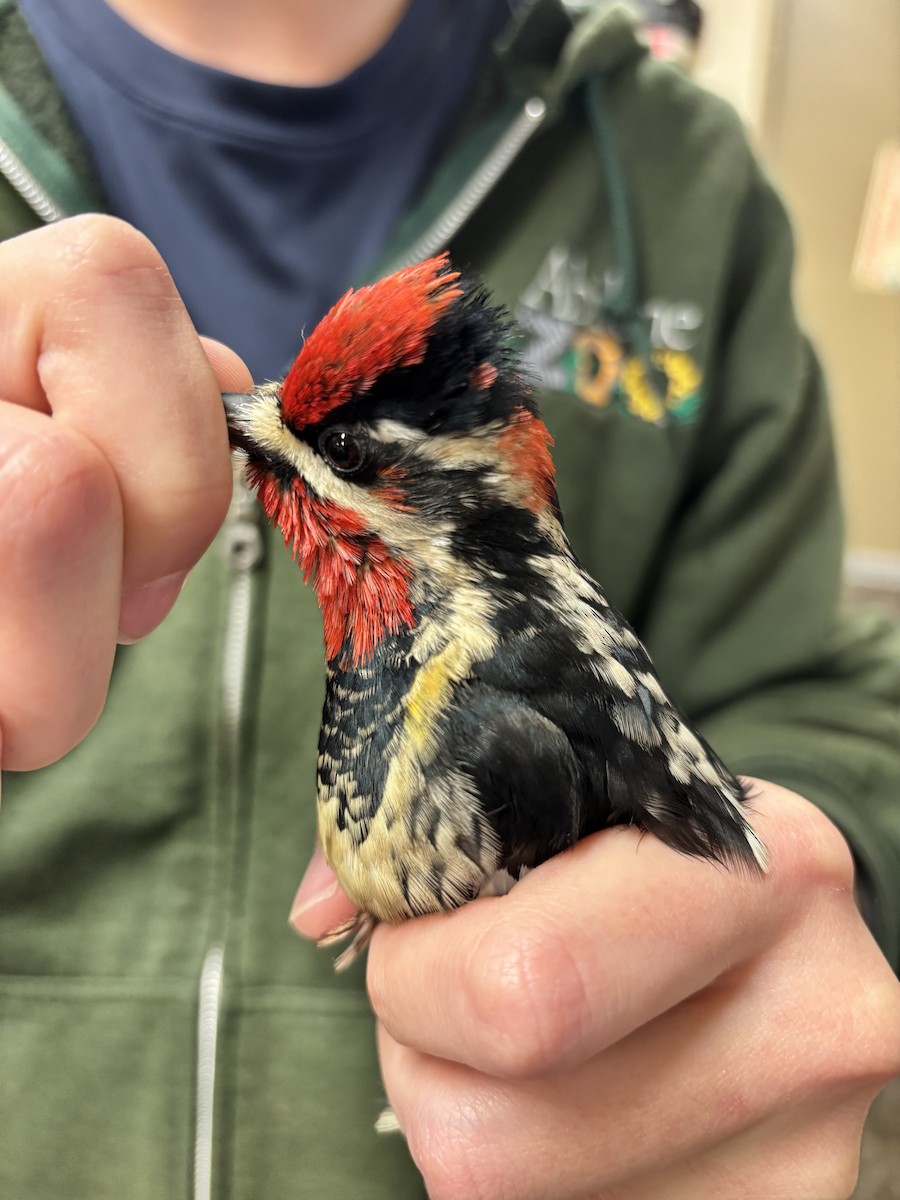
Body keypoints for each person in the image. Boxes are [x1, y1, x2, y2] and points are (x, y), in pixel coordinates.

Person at [1, 1, 899, 1197]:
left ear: (450, 507)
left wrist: (774, 927)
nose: (250, 421)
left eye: (354, 463)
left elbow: (807, 697)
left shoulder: (682, 172)